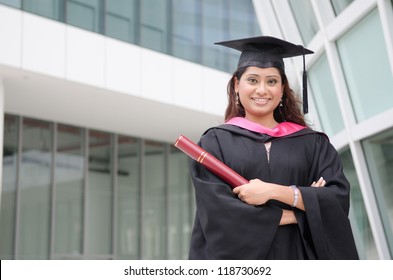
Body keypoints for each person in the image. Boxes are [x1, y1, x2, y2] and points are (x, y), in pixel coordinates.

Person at [188, 36, 359, 260]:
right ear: (237, 85)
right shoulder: (215, 143)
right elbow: (219, 215)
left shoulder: (313, 143)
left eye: (271, 81)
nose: (262, 90)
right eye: (252, 80)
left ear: (282, 88)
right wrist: (302, 206)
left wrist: (274, 192)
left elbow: (335, 200)